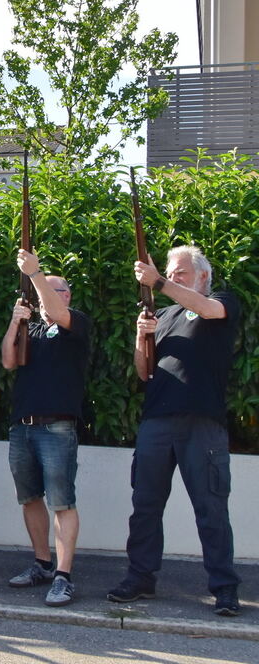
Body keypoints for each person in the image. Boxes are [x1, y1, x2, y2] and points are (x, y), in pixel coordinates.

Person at [108, 245, 242, 616]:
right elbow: (143, 371)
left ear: (203, 275)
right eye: (169, 272)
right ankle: (140, 578)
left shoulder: (221, 301)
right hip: (156, 421)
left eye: (180, 272)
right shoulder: (163, 315)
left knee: (210, 509)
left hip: (202, 422)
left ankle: (225, 588)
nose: (173, 277)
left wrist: (159, 282)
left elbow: (208, 310)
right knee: (145, 506)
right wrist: (141, 337)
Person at [0, 250, 87, 607]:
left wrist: (35, 275)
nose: (42, 298)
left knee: (62, 502)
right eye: (39, 293)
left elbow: (59, 313)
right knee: (30, 497)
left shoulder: (76, 323)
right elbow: (8, 360)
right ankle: (42, 563)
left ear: (66, 295)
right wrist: (15, 322)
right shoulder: (30, 329)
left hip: (58, 427)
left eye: (52, 290)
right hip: (23, 426)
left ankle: (64, 576)